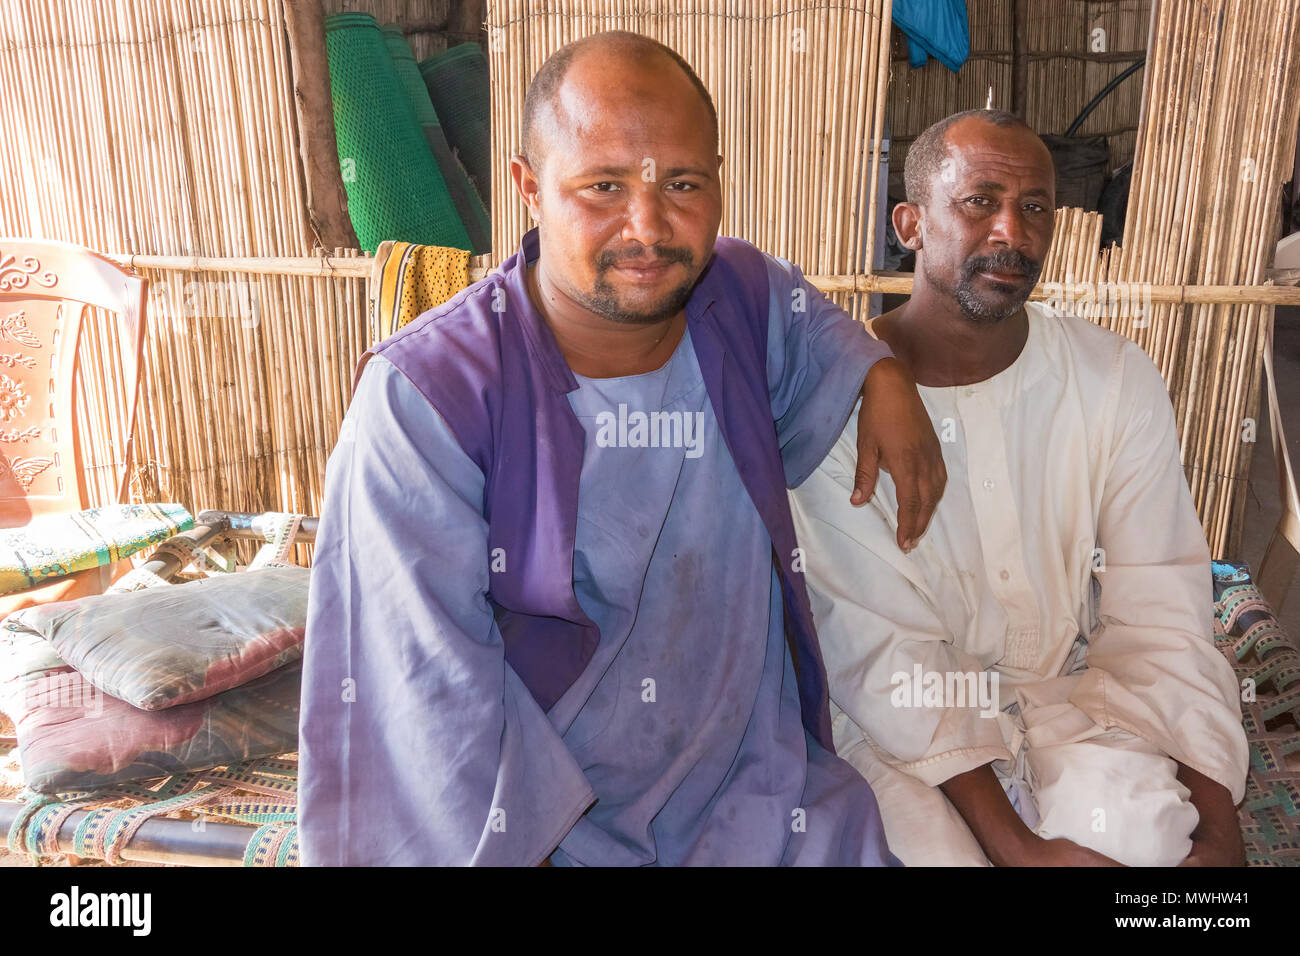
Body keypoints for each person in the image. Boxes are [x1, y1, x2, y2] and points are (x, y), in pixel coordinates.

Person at [296, 30, 946, 866]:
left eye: (682, 183)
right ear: (529, 189)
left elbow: (814, 321)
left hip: (762, 793)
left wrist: (882, 374)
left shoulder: (738, 300)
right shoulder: (430, 400)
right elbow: (424, 703)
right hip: (553, 826)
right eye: (602, 186)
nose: (649, 226)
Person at [790, 109, 1249, 867]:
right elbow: (880, 655)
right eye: (980, 201)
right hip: (894, 730)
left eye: (1035, 206)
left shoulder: (1110, 378)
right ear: (910, 224)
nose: (1013, 230)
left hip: (1072, 696)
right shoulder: (834, 407)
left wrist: (1218, 825)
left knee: (1146, 838)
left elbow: (1161, 609)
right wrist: (1019, 848)